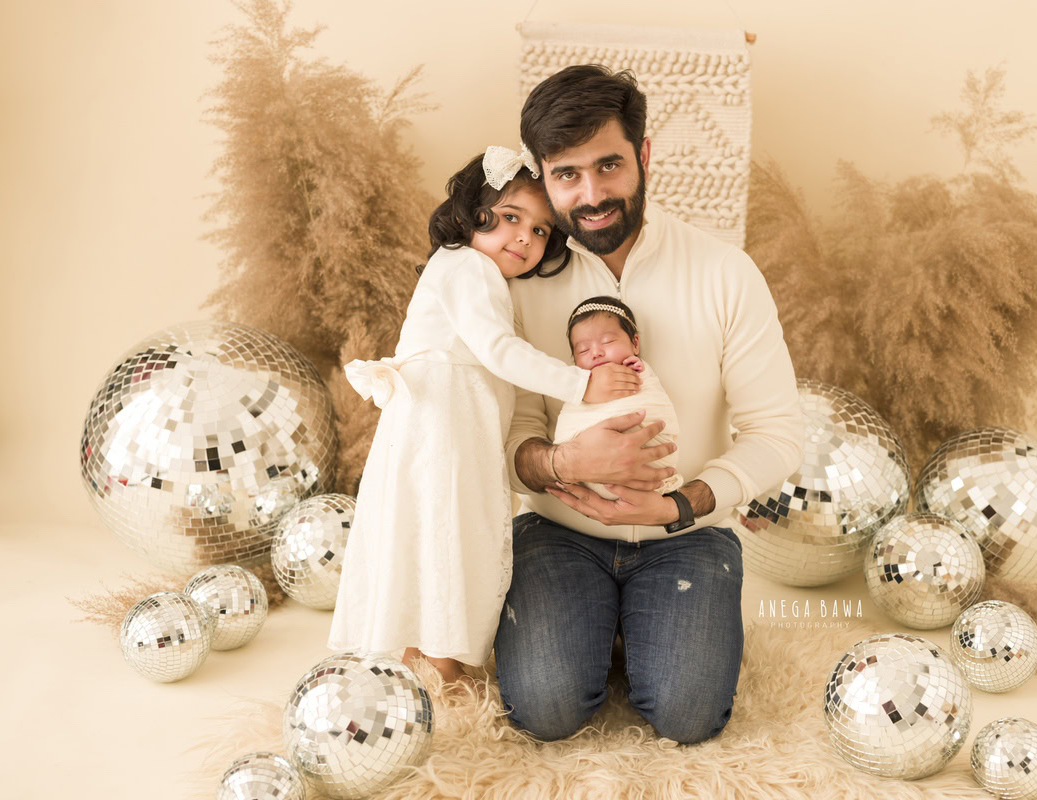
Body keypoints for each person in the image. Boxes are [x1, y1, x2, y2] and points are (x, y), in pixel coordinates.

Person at [494, 65, 805, 743]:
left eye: (608, 165)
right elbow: (509, 431)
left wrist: (676, 505)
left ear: (644, 154)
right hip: (558, 532)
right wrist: (562, 460)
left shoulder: (726, 274)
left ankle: (638, 624)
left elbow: (777, 434)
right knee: (545, 711)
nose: (592, 193)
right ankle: (595, 624)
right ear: (542, 177)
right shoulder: (518, 284)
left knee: (688, 716)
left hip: (688, 538)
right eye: (567, 174)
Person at [326, 146, 642, 685]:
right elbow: (498, 351)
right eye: (512, 218)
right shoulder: (466, 266)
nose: (525, 238)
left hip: (455, 423)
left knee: (437, 533)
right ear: (472, 213)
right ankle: (434, 659)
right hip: (440, 424)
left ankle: (428, 653)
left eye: (542, 230)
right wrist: (580, 383)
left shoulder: (487, 276)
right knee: (443, 532)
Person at [553, 295, 683, 501]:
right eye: (583, 350)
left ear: (635, 343)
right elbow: (569, 423)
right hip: (591, 477)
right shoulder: (576, 385)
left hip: (653, 471)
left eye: (608, 341)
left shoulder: (638, 372)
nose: (595, 353)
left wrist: (639, 371)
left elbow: (651, 395)